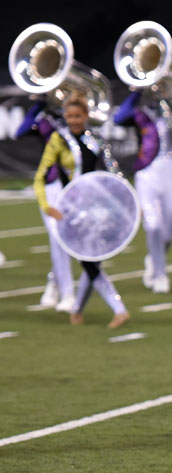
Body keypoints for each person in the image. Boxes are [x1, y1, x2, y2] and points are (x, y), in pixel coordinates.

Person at [33, 95, 130, 328]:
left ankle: (76, 311)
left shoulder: (96, 139)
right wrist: (48, 207)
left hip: (95, 208)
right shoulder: (58, 140)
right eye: (69, 116)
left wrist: (127, 202)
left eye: (78, 116)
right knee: (89, 261)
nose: (73, 120)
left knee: (91, 260)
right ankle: (119, 309)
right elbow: (40, 177)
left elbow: (113, 173)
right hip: (72, 210)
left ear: (86, 116)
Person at [113, 89, 172, 294]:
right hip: (146, 172)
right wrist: (136, 92)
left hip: (170, 170)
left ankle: (154, 258)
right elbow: (119, 117)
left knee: (168, 231)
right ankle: (160, 275)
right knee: (152, 225)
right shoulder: (140, 113)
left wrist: (167, 104)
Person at [15, 98, 76, 312]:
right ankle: (68, 293)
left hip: (77, 187)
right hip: (51, 187)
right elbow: (20, 132)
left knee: (69, 240)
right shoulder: (46, 122)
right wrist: (40, 103)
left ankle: (54, 281)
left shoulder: (79, 121)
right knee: (56, 237)